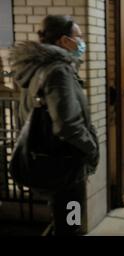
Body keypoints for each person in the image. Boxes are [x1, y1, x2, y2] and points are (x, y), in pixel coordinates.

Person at [11, 15, 99, 236]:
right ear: (64, 41)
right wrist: (91, 149)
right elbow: (68, 125)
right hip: (66, 167)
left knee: (61, 222)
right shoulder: (58, 71)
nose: (82, 42)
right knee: (72, 225)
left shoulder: (35, 68)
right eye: (78, 37)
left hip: (46, 161)